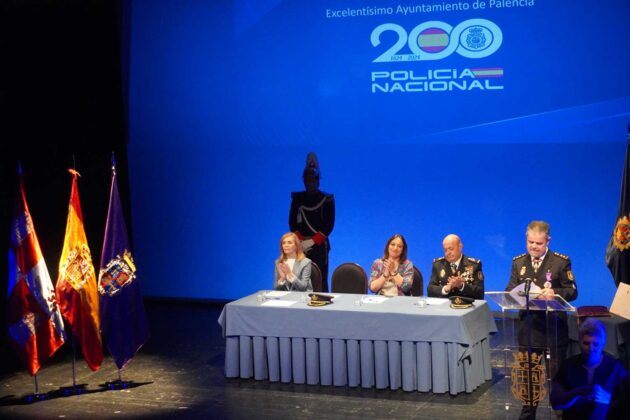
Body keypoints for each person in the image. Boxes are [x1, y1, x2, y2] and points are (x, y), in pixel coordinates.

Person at [505, 220, 579, 419]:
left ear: (548, 240)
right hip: (529, 331)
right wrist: (515, 295)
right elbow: (508, 291)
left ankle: (561, 413)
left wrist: (554, 292)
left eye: (538, 243)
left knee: (557, 379)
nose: (533, 247)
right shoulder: (518, 262)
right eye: (530, 242)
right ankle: (528, 415)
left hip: (553, 329)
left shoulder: (560, 262)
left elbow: (572, 291)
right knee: (529, 380)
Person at [551, 318, 627, 419]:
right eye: (586, 343)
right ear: (579, 342)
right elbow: (555, 403)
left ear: (603, 343)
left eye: (595, 344)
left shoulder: (615, 368)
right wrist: (577, 393)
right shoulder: (568, 365)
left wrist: (609, 398)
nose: (591, 349)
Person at [289, 153, 335, 292]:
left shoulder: (326, 199)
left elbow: (329, 225)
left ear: (318, 180)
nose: (310, 183)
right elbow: (292, 222)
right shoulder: (298, 198)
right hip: (301, 245)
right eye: (307, 180)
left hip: (319, 246)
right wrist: (301, 242)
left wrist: (312, 242)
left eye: (313, 180)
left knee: (320, 278)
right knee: (299, 278)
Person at [428, 234, 484, 299]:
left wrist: (461, 286)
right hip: (444, 307)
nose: (448, 253)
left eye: (451, 249)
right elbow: (430, 290)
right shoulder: (438, 264)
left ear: (460, 247)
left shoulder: (474, 265)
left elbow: (480, 293)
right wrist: (445, 289)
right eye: (445, 250)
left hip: (466, 307)